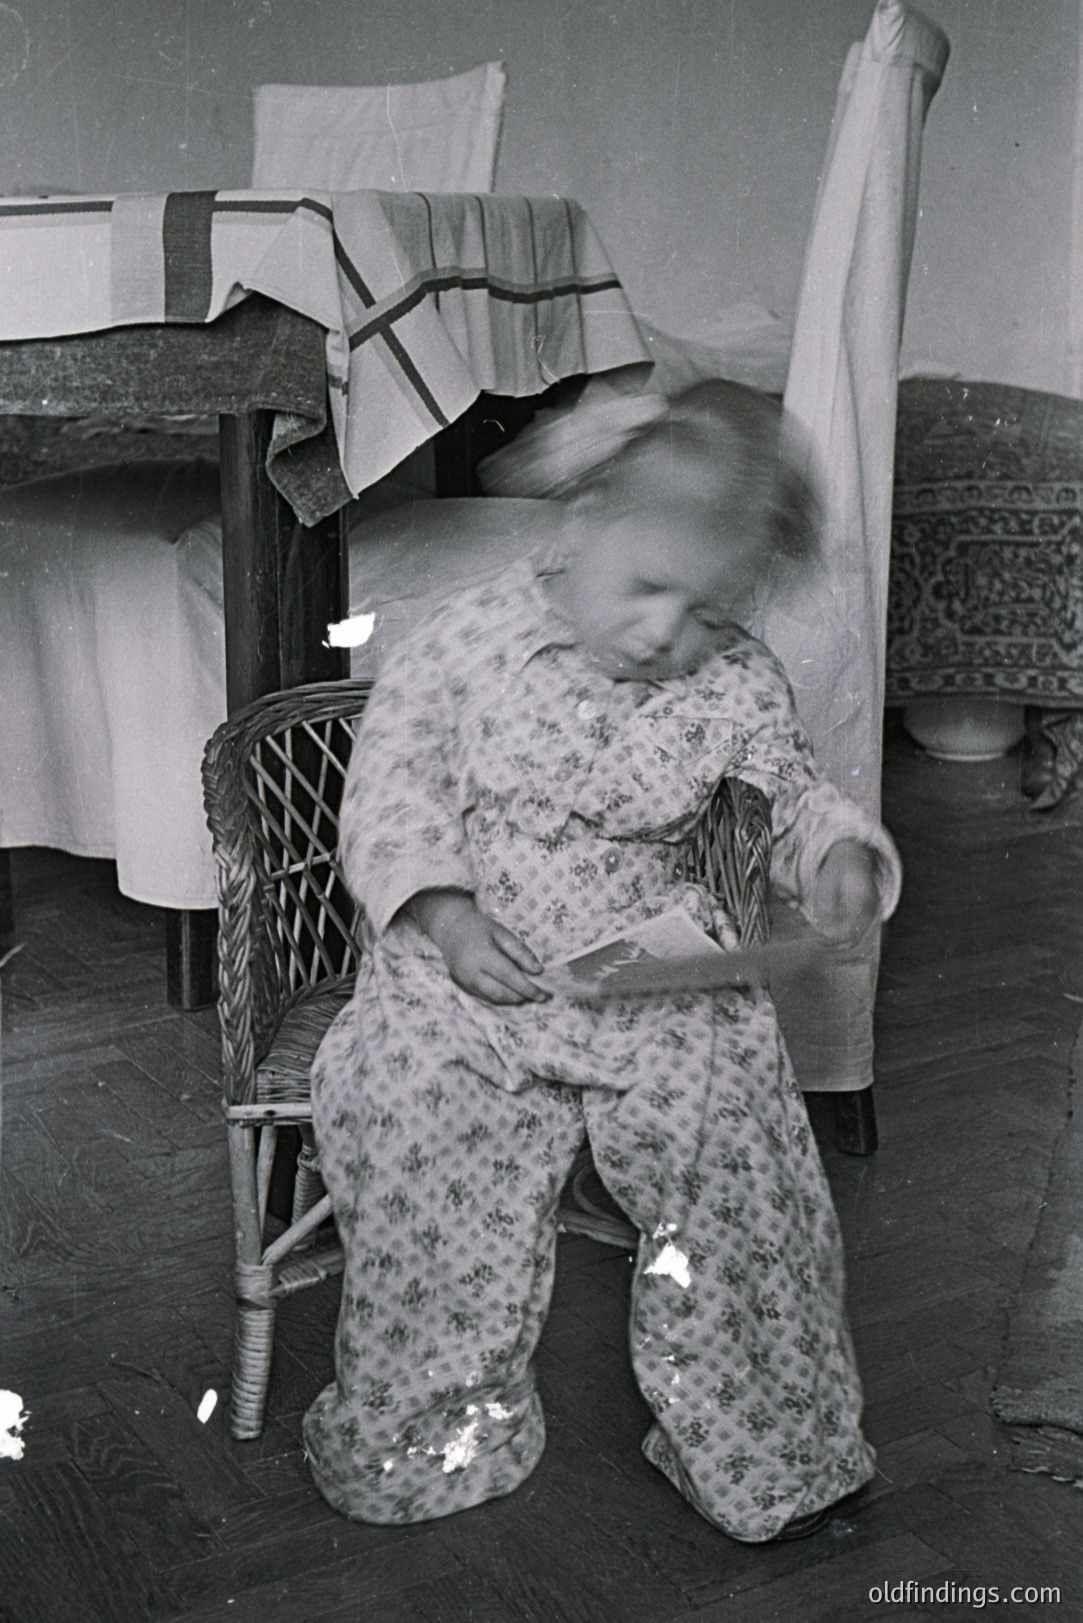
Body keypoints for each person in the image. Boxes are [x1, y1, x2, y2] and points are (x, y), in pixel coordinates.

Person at [302, 380, 902, 1542]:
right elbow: (393, 788)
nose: (668, 636)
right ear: (579, 530)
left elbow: (785, 790)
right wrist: (446, 912)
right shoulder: (464, 643)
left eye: (715, 615)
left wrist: (834, 856)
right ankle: (425, 1433)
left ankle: (768, 1445)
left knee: (741, 1156)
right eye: (646, 592)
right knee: (414, 1129)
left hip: (645, 965)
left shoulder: (733, 680)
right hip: (467, 967)